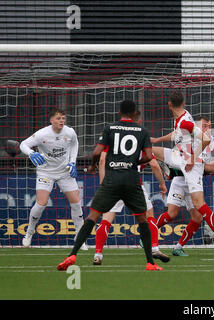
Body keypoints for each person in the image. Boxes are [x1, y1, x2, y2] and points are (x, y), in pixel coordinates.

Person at [57, 100, 165, 271]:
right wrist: (134, 161)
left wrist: (92, 166)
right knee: (142, 219)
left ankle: (73, 255)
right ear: (135, 113)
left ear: (119, 111)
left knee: (93, 217)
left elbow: (97, 152)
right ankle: (150, 262)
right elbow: (149, 157)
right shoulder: (142, 131)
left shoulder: (110, 128)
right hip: (131, 179)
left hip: (112, 179)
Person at [150, 91, 214, 256]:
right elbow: (176, 135)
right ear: (183, 104)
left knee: (199, 205)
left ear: (169, 104)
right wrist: (156, 140)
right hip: (179, 157)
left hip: (191, 164)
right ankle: (166, 169)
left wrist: (193, 158)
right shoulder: (179, 119)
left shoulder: (185, 122)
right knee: (149, 150)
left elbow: (205, 140)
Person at [93, 111, 169, 265]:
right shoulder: (140, 136)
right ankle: (154, 248)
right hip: (133, 183)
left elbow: (101, 160)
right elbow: (153, 164)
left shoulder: (113, 135)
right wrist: (162, 184)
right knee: (148, 216)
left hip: (113, 182)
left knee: (107, 218)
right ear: (137, 120)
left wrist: (103, 183)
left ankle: (98, 254)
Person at [19, 109, 87, 250]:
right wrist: (31, 153)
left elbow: (75, 144)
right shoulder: (42, 134)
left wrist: (72, 162)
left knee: (76, 202)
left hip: (64, 171)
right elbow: (23, 144)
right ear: (51, 120)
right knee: (41, 203)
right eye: (58, 118)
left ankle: (80, 238)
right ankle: (29, 233)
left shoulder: (69, 132)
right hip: (46, 172)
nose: (61, 120)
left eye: (63, 118)